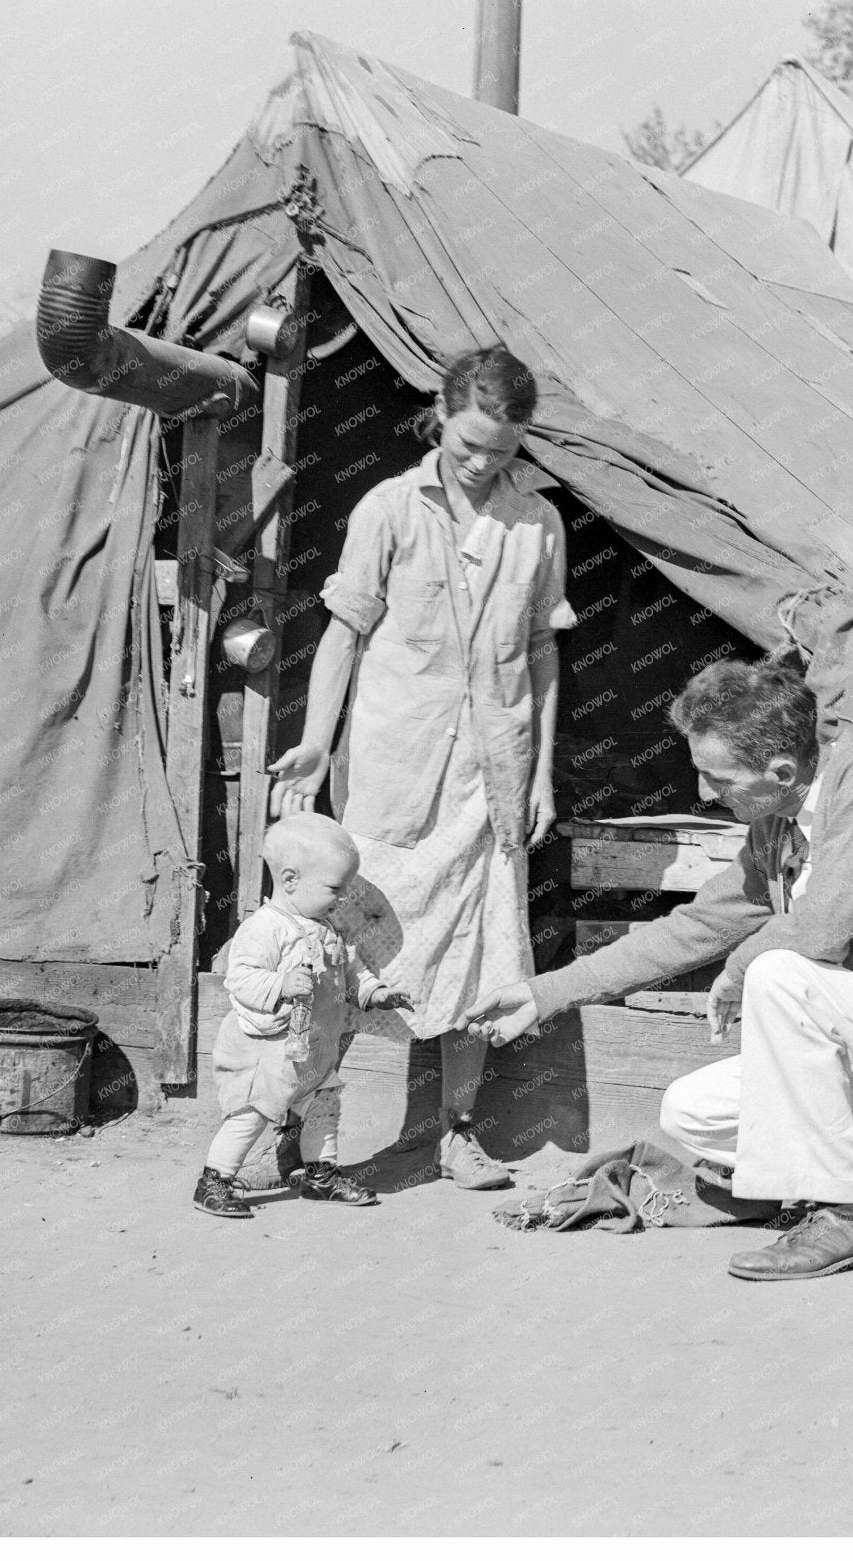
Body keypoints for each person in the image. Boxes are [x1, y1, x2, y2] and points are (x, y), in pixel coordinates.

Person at [465, 657, 853, 1281]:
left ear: (781, 771)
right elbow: (694, 927)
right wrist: (544, 992)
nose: (704, 794)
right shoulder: (777, 824)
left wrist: (740, 968)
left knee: (779, 971)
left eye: (717, 778)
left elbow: (820, 929)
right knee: (691, 1111)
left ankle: (851, 1215)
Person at [268, 347, 572, 1192]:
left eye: (502, 452)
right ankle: (304, 1128)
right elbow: (345, 631)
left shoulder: (538, 523)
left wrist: (540, 771)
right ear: (439, 416)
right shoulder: (389, 508)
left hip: (492, 778)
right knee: (354, 954)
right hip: (396, 769)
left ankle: (453, 1132)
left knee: (476, 956)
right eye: (469, 443)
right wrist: (318, 739)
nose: (481, 464)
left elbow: (543, 648)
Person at [194, 814, 413, 1219]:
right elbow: (239, 979)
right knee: (252, 1115)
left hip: (314, 1051)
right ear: (290, 879)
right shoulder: (265, 928)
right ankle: (214, 1181)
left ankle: (321, 1177)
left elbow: (351, 971)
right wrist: (280, 985)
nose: (344, 897)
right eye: (336, 888)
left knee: (324, 1108)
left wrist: (375, 992)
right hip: (271, 1053)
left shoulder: (328, 927)